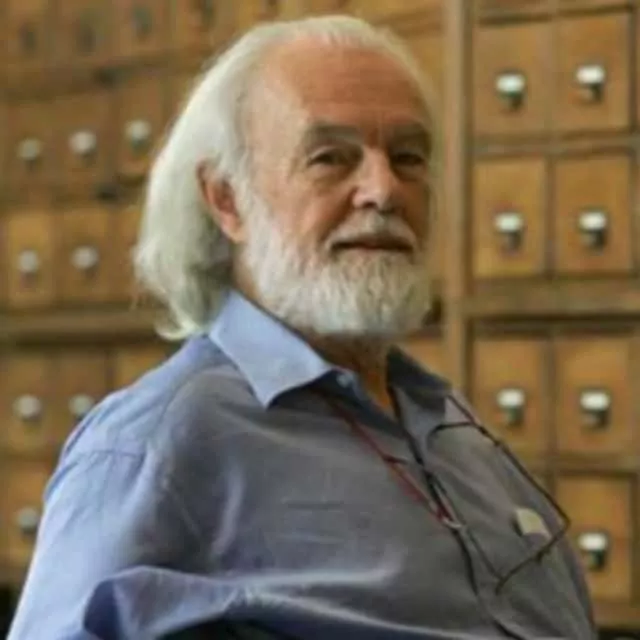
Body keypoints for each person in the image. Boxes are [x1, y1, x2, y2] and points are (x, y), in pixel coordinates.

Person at [8, 14, 596, 640]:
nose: (384, 190)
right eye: (330, 158)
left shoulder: (449, 424)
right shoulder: (157, 445)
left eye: (408, 157)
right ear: (227, 199)